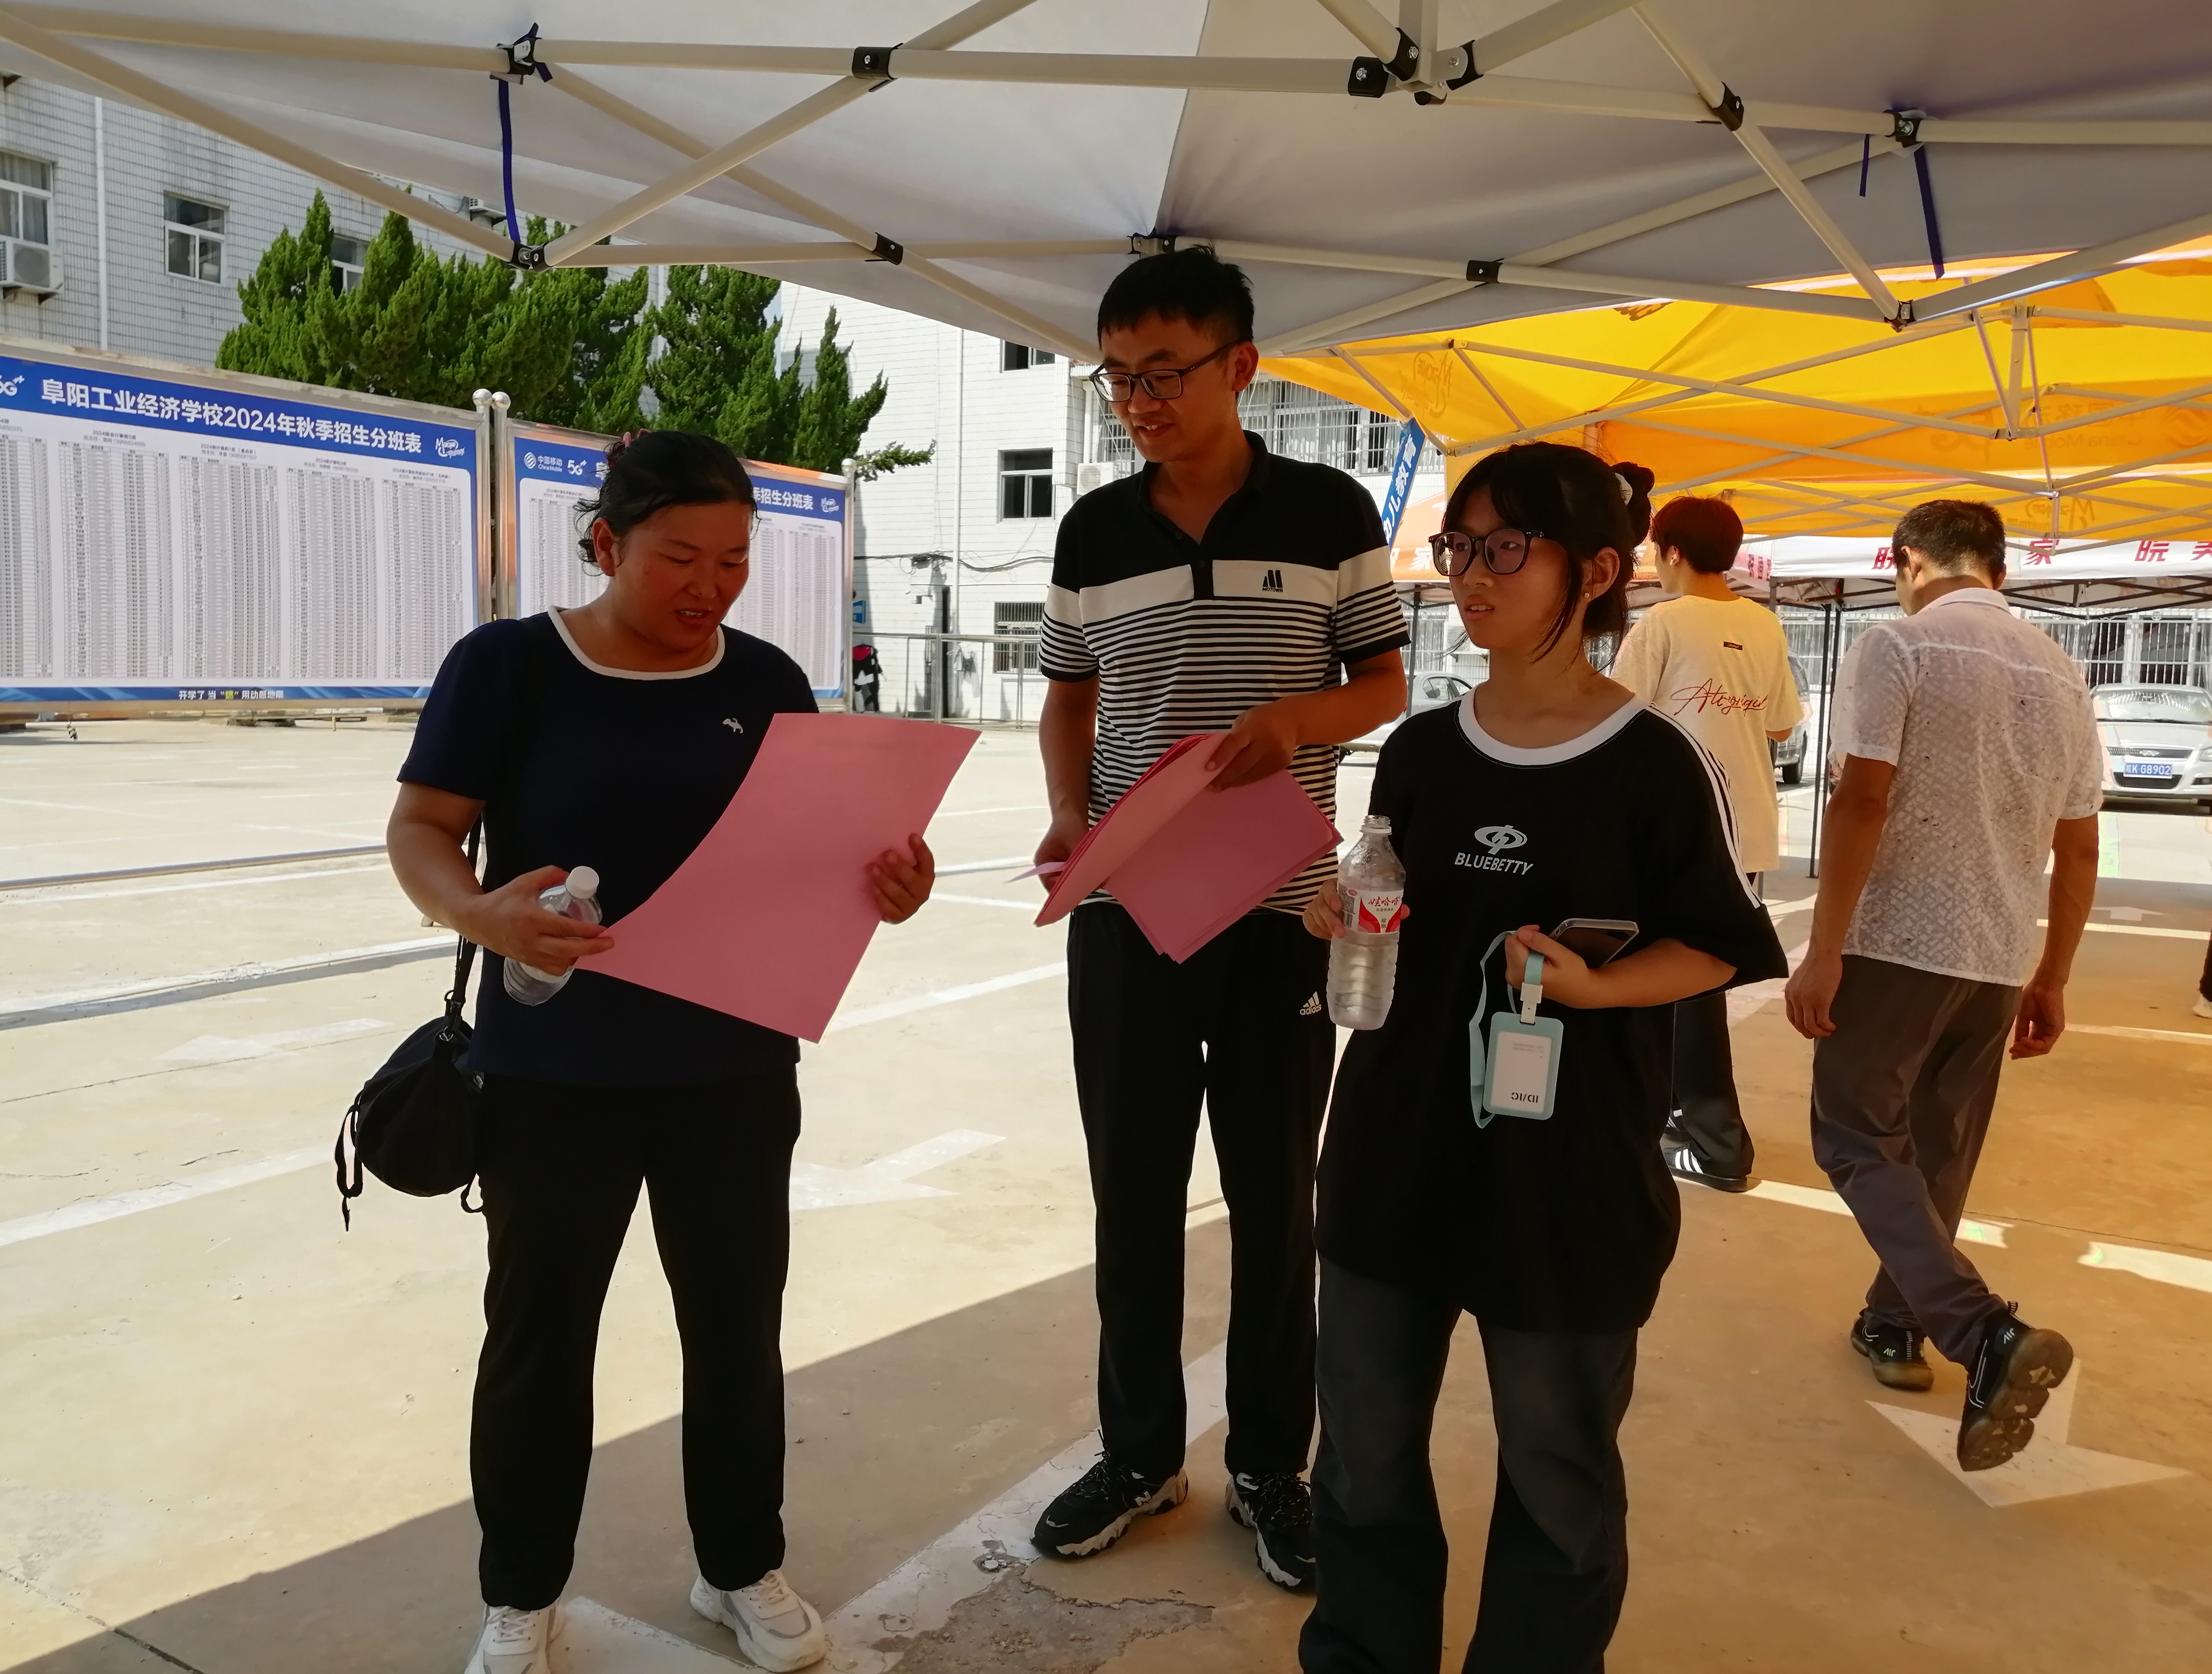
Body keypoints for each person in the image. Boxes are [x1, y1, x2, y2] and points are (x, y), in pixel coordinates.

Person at [385, 431, 936, 1674]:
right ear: (605, 543)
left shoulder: (770, 680)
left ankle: (738, 1564)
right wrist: (479, 913)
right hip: (553, 1071)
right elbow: (421, 827)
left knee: (736, 1330)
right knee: (539, 1338)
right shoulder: (510, 667)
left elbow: (822, 856)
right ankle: (521, 1593)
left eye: (733, 560)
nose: (709, 586)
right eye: (679, 557)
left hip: (731, 1068)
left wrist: (889, 882)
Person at [1300, 442, 1786, 1674]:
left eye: (1507, 548)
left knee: (1558, 1473)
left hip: (1566, 1183)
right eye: (1459, 547)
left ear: (1598, 572)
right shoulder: (1420, 750)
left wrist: (1599, 986)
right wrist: (1350, 915)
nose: (1471, 574)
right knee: (1359, 1455)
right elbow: (1389, 892)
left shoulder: (1650, 762)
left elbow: (1718, 944)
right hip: (1395, 1152)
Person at [1030, 248, 1408, 1589]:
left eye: (1165, 374)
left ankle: (1268, 1466)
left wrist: (1293, 723)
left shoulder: (1328, 509)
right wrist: (1068, 815)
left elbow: (1384, 684)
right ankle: (1139, 1456)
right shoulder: (1091, 530)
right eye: (1119, 379)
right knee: (1131, 1200)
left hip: (1281, 913)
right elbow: (1068, 695)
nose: (1140, 402)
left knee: (1273, 1202)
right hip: (1128, 907)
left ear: (1239, 366)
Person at [1785, 499, 2099, 1469]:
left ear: (1909, 563)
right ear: (1999, 569)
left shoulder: (1899, 645)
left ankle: (1982, 1331)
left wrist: (1825, 946)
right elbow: (2081, 843)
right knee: (1939, 1150)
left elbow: (1863, 796)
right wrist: (2054, 974)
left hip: (1899, 943)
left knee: (1854, 1135)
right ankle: (1894, 1323)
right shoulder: (2063, 671)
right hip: (1998, 955)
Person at [1610, 495, 1804, 1192]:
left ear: (1672, 552)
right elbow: (1781, 724)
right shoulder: (1763, 623)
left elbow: (1615, 717)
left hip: (1677, 828)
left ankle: (1714, 1137)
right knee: (1695, 979)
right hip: (1744, 826)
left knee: (1676, 981)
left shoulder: (1663, 623)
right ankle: (1682, 1122)